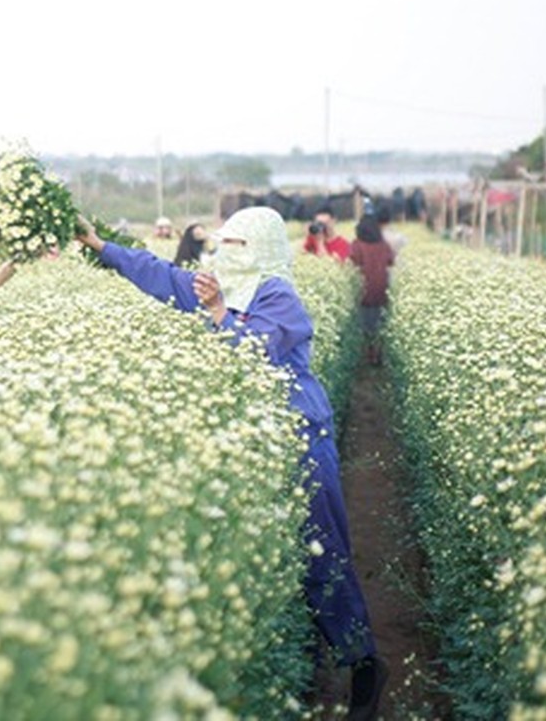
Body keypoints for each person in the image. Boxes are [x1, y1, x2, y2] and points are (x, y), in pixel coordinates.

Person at [76, 207, 387, 720]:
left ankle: (364, 665)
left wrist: (220, 312)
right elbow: (161, 276)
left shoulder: (276, 296)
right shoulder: (215, 283)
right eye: (225, 243)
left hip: (298, 433)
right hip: (250, 436)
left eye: (238, 245)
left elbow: (258, 355)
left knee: (323, 549)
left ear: (261, 248)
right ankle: (305, 658)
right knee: (271, 555)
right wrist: (100, 246)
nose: (226, 253)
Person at [349, 215, 395, 367]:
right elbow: (391, 261)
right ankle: (379, 355)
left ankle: (368, 356)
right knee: (379, 323)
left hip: (364, 289)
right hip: (381, 288)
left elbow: (353, 262)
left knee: (366, 323)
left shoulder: (357, 244)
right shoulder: (383, 245)